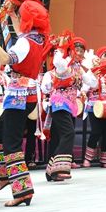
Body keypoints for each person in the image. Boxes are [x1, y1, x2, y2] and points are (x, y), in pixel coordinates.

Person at [0, 0, 50, 207]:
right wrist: (13, 15)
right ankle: (4, 176)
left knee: (11, 143)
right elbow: (21, 33)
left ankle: (23, 191)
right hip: (26, 95)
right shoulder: (38, 38)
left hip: (18, 98)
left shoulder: (24, 43)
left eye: (21, 16)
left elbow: (5, 58)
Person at [40, 36, 84, 181]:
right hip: (58, 103)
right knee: (68, 133)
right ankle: (59, 169)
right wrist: (60, 45)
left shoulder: (78, 69)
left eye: (81, 51)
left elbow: (91, 83)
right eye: (76, 50)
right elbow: (46, 87)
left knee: (59, 137)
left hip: (70, 106)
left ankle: (50, 172)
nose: (79, 53)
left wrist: (93, 70)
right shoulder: (62, 66)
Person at [81, 46, 106, 168]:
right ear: (98, 58)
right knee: (96, 131)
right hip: (95, 105)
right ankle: (88, 158)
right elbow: (85, 87)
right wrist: (83, 94)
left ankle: (104, 159)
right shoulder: (92, 71)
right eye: (104, 55)